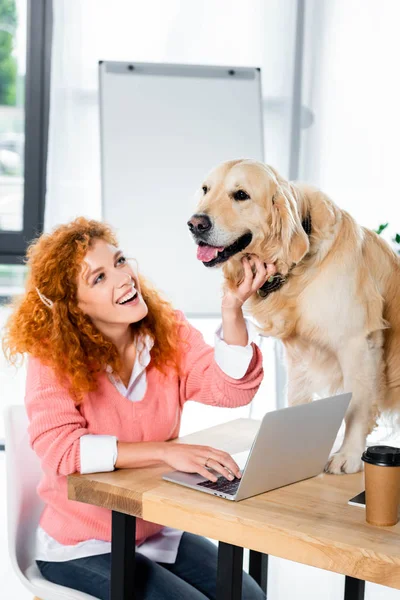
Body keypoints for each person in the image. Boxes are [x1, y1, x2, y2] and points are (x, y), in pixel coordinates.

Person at [3, 217, 272, 600]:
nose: (122, 277)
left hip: (155, 531)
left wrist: (232, 311)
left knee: (250, 597)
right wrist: (165, 452)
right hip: (82, 544)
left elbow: (230, 391)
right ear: (73, 307)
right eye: (98, 278)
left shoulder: (166, 332)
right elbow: (62, 449)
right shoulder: (52, 357)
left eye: (119, 261)